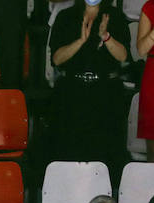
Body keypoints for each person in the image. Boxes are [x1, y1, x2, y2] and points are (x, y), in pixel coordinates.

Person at [48, 0, 131, 167]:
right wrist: (80, 41)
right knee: (69, 154)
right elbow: (56, 58)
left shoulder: (115, 17)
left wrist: (106, 37)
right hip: (72, 92)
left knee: (104, 155)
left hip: (105, 93)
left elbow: (123, 56)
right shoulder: (65, 16)